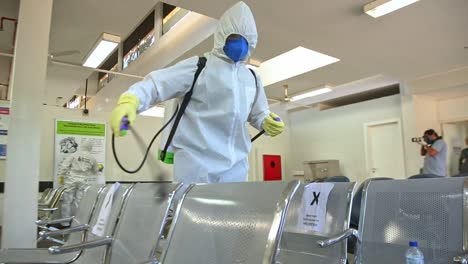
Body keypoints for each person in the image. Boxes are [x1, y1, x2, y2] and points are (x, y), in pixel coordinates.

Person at [110, 1, 284, 185]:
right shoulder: (199, 66)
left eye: (245, 40)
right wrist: (131, 101)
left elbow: (258, 113)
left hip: (237, 168)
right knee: (193, 214)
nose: (240, 45)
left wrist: (266, 121)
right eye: (234, 38)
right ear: (222, 35)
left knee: (231, 214)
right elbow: (156, 85)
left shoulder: (252, 78)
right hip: (196, 168)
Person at [59, 139, 99, 224]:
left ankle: (65, 222)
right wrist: (89, 171)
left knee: (67, 201)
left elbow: (64, 166)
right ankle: (77, 222)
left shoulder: (74, 154)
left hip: (71, 178)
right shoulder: (92, 158)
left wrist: (61, 176)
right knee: (79, 201)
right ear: (90, 147)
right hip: (84, 180)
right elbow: (96, 171)